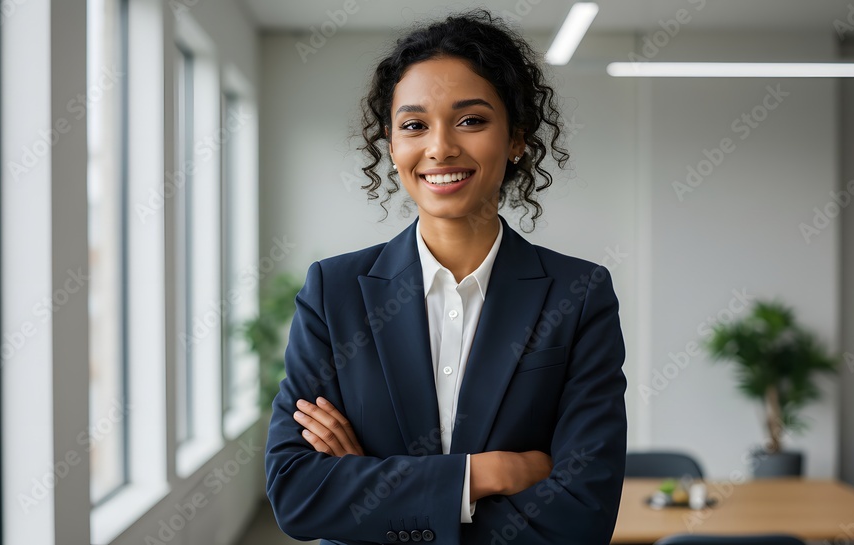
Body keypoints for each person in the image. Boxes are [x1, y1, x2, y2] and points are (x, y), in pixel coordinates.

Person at [264, 8, 627, 545]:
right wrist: (487, 475)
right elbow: (297, 494)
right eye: (414, 125)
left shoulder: (579, 295)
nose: (440, 147)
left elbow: (583, 513)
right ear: (391, 146)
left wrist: (377, 496)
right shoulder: (333, 293)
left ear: (517, 138)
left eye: (471, 120)